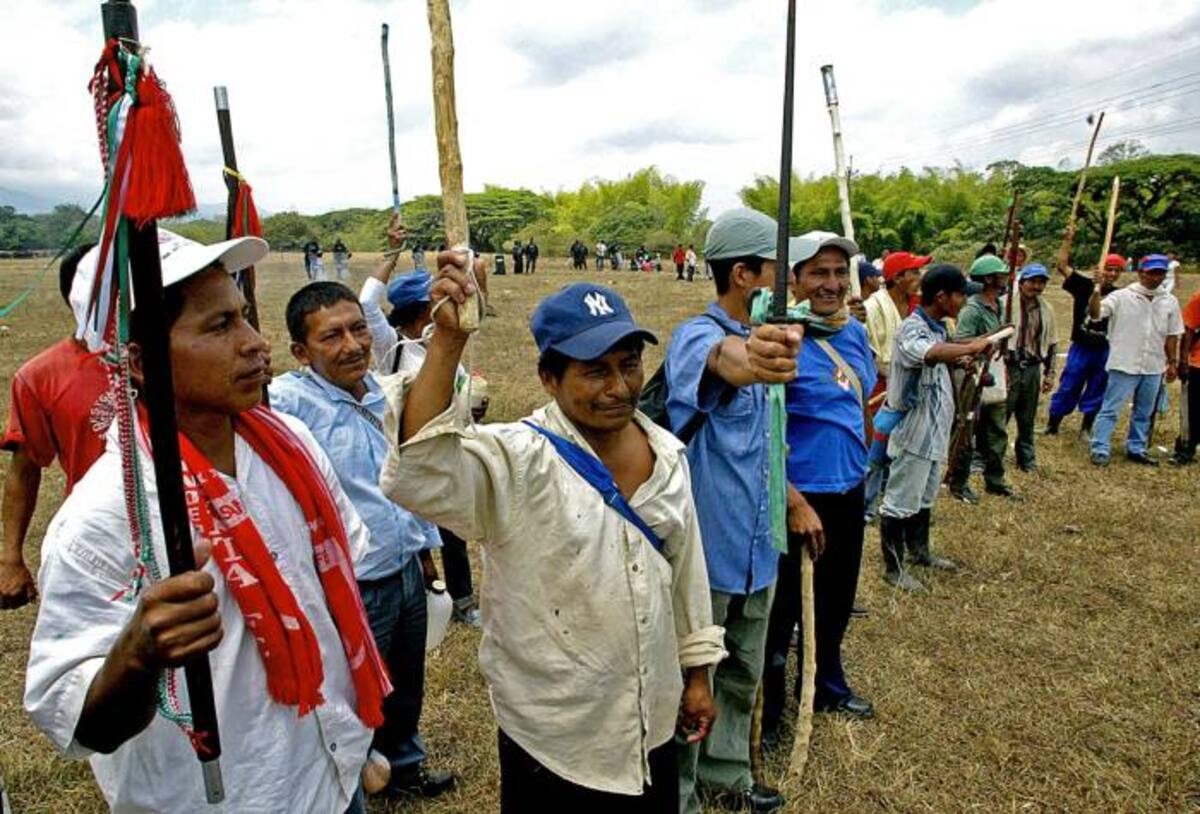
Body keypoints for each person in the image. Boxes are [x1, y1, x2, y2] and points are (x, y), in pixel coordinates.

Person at [24, 231, 389, 813]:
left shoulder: (289, 446)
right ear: (138, 361)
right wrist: (138, 655)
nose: (255, 344)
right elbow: (81, 725)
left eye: (243, 317)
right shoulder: (105, 518)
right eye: (220, 327)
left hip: (328, 771)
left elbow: (339, 573)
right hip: (230, 794)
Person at [380, 263, 726, 811]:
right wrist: (448, 339)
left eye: (629, 365)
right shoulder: (516, 459)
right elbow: (422, 469)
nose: (618, 388)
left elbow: (685, 572)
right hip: (555, 738)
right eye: (595, 372)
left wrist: (698, 675)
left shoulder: (666, 454)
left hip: (651, 719)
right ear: (548, 377)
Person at [269, 282, 457, 800]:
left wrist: (423, 551)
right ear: (301, 353)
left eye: (357, 328)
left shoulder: (382, 393)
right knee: (351, 691)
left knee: (404, 682)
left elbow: (400, 484)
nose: (352, 344)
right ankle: (351, 781)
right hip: (349, 586)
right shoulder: (288, 405)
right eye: (331, 336)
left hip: (402, 570)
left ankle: (403, 767)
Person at [665, 208, 794, 814]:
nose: (787, 282)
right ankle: (683, 795)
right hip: (707, 553)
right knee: (694, 685)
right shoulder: (698, 334)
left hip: (759, 546)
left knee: (741, 672)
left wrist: (790, 501)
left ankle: (728, 776)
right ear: (744, 274)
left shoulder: (778, 334)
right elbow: (725, 361)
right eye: (779, 270)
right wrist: (754, 358)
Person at [763, 232, 877, 749]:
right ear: (795, 280)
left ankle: (827, 682)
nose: (831, 284)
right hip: (799, 495)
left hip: (849, 486)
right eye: (818, 273)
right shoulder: (779, 337)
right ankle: (770, 711)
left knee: (836, 595)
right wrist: (789, 498)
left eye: (838, 273)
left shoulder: (851, 333)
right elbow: (762, 429)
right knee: (782, 606)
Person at [1, 243, 112, 610]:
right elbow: (25, 470)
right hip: (98, 538)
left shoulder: (174, 358)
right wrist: (10, 558)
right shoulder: (39, 376)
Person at [878, 264, 995, 592]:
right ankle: (893, 567)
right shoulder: (912, 330)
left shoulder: (939, 327)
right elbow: (928, 354)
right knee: (900, 499)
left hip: (934, 431)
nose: (962, 301)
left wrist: (964, 355)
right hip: (913, 431)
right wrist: (968, 349)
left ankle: (920, 552)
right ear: (942, 296)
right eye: (959, 294)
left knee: (925, 495)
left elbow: (945, 349)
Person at [1088, 254, 1184, 466]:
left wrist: (1172, 362)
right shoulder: (1121, 296)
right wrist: (1096, 290)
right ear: (1141, 272)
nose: (1156, 277)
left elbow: (1172, 335)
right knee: (1111, 408)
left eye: (1160, 273)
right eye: (1151, 273)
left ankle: (1136, 447)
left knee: (1144, 411)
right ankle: (1100, 447)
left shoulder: (1169, 301)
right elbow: (1095, 314)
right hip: (1124, 363)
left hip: (1153, 365)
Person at [946, 254, 1019, 503]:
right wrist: (991, 337)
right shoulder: (973, 309)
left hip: (995, 373)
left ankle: (995, 480)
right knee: (968, 431)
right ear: (989, 279)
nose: (1006, 278)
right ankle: (959, 482)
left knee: (997, 431)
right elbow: (958, 341)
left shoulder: (998, 304)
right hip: (974, 376)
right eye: (1001, 274)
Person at [862, 251, 928, 520]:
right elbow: (869, 352)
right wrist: (893, 376)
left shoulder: (917, 306)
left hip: (911, 385)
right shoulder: (873, 307)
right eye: (913, 272)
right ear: (897, 278)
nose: (918, 277)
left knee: (903, 446)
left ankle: (892, 499)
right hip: (880, 385)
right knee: (876, 449)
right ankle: (865, 505)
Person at [1045, 253, 1124, 436]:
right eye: (1108, 269)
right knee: (1069, 384)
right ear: (1099, 269)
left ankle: (1086, 428)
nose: (1111, 274)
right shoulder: (1084, 285)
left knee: (1097, 387)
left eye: (1116, 271)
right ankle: (1053, 425)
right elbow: (1062, 265)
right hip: (1081, 347)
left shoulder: (1120, 296)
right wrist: (1069, 238)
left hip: (1104, 349)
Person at [1000, 264, 1058, 472]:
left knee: (1027, 417)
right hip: (1010, 366)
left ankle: (1026, 459)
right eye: (1032, 281)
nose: (1036, 286)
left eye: (1041, 282)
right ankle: (988, 456)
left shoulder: (1047, 310)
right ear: (1022, 282)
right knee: (1000, 414)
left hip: (1032, 368)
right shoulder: (1006, 304)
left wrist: (1050, 374)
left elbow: (1051, 343)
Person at [1172, 286, 1200, 465]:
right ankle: (1185, 447)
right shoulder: (1199, 298)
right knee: (1194, 410)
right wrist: (1183, 360)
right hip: (1198, 363)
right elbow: (1189, 329)